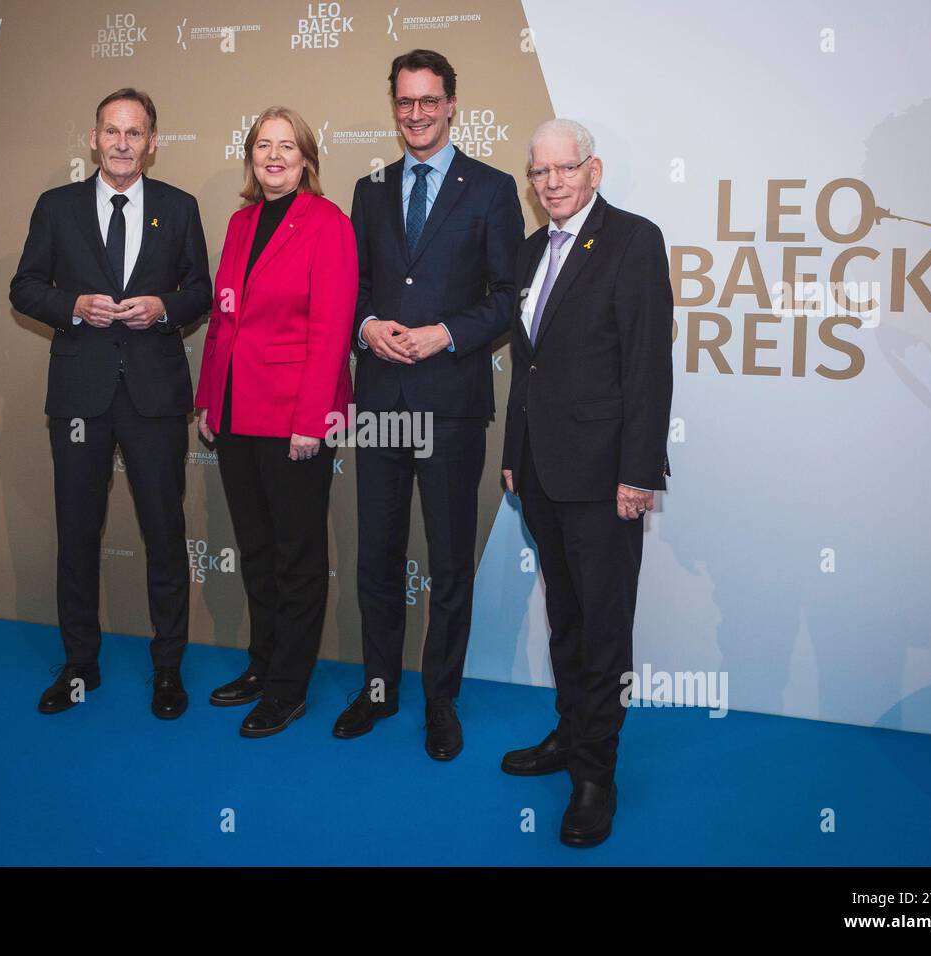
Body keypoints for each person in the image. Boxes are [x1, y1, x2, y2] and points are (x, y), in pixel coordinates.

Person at [335, 49, 524, 759]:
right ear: (396, 106)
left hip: (450, 403)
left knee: (448, 562)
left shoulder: (494, 188)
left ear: (451, 104)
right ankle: (379, 691)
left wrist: (446, 333)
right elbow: (351, 288)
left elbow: (508, 298)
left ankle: (440, 701)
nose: (416, 113)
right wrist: (366, 327)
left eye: (429, 100)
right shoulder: (370, 188)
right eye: (405, 102)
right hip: (382, 399)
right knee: (377, 558)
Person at [10, 88, 212, 719]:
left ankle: (168, 670)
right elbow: (24, 288)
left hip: (153, 396)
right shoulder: (57, 207)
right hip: (79, 396)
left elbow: (201, 290)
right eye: (112, 131)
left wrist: (164, 308)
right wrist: (73, 306)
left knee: (164, 533)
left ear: (151, 142)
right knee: (76, 533)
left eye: (136, 132)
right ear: (93, 138)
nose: (123, 142)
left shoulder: (179, 208)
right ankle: (79, 666)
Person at [499, 118, 673, 847]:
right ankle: (571, 735)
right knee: (566, 618)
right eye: (539, 173)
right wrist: (514, 450)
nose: (551, 184)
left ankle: (596, 774)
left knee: (603, 629)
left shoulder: (634, 240)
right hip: (540, 472)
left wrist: (638, 471)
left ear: (593, 170)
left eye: (564, 169)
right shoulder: (532, 248)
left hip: (606, 480)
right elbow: (526, 364)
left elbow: (646, 364)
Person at [194, 107, 358, 738]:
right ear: (251, 156)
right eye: (264, 145)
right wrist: (210, 398)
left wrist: (314, 417)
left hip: (294, 417)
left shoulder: (328, 223)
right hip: (235, 413)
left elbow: (332, 326)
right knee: (257, 551)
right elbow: (224, 320)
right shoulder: (239, 223)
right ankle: (262, 667)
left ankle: (289, 687)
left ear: (306, 158)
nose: (274, 156)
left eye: (287, 146)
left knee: (296, 556)